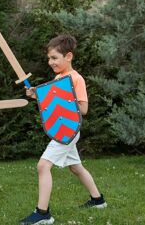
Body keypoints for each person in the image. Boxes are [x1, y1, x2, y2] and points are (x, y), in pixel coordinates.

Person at [19, 34, 106, 225]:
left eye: (54, 58)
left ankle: (43, 214)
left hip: (68, 130)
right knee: (76, 167)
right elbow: (53, 103)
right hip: (62, 128)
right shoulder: (59, 77)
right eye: (49, 58)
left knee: (43, 166)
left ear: (68, 56)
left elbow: (82, 109)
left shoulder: (76, 79)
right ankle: (98, 200)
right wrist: (37, 94)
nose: (50, 62)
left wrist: (66, 97)